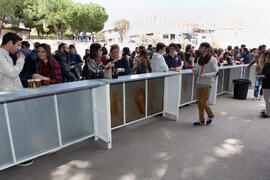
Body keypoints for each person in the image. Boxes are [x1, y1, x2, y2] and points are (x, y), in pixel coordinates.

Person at [192, 42, 218, 126]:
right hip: (199, 83)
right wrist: (195, 72)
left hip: (207, 84)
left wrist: (205, 75)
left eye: (201, 47)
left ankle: (211, 115)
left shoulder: (212, 59)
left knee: (203, 102)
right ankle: (201, 120)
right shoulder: (199, 59)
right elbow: (197, 72)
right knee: (199, 103)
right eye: (200, 47)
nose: (199, 49)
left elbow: (216, 72)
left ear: (207, 49)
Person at [257, 51, 270, 117]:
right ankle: (267, 111)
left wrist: (260, 76)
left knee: (267, 99)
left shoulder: (267, 64)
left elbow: (267, 75)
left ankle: (267, 113)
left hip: (267, 84)